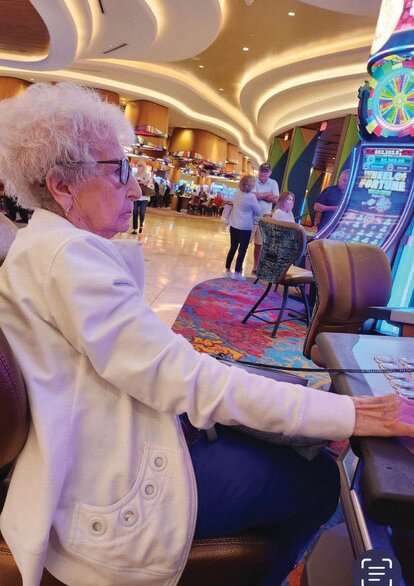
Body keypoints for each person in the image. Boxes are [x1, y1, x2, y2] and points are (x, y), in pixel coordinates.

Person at [0, 83, 413, 586]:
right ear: (62, 186)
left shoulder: (49, 246)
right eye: (119, 171)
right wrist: (352, 411)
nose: (136, 188)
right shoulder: (66, 259)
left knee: (292, 433)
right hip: (108, 487)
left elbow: (161, 360)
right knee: (319, 479)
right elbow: (185, 379)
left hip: (117, 438)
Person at [224, 174, 261, 280]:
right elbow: (258, 212)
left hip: (234, 225)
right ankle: (236, 273)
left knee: (233, 248)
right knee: (242, 250)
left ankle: (227, 269)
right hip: (245, 227)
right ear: (251, 185)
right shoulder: (251, 197)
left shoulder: (236, 194)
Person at [252, 162, 279, 274]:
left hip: (265, 217)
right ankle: (239, 266)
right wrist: (267, 194)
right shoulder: (253, 181)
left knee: (260, 244)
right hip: (251, 215)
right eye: (262, 171)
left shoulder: (273, 183)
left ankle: (256, 266)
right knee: (244, 242)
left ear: (270, 173)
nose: (264, 173)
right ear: (259, 171)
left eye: (266, 171)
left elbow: (276, 199)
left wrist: (260, 196)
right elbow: (252, 196)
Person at [132, 162, 154, 233]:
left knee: (142, 212)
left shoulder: (147, 175)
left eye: (140, 166)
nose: (139, 168)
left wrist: (143, 182)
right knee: (135, 211)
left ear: (143, 167)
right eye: (138, 166)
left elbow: (150, 185)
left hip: (144, 196)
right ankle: (134, 228)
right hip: (136, 196)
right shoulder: (135, 175)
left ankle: (141, 225)